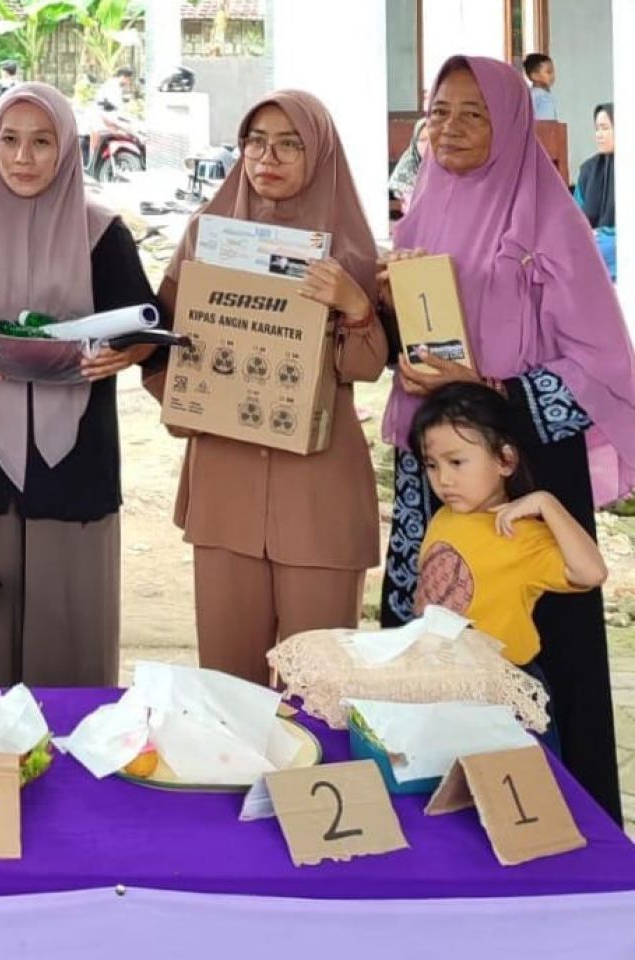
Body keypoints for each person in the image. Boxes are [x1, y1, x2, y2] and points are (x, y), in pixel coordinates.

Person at [378, 55, 635, 822]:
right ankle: (430, 821)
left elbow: (603, 362)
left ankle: (559, 829)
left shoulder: (549, 221)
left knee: (538, 657)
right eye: (438, 111)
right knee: (431, 630)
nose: (449, 128)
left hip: (521, 474)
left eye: (472, 113)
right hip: (438, 469)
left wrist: (490, 389)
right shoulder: (424, 203)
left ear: (512, 122)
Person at [0, 82, 159, 687]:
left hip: (74, 456)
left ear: (67, 150)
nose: (22, 157)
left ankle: (71, 756)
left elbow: (146, 324)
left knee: (68, 627)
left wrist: (122, 356)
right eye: (9, 139)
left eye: (41, 142)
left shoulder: (101, 231)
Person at [148, 91, 386, 687]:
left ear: (321, 153)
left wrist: (356, 307)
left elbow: (366, 367)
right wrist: (189, 400)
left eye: (288, 143)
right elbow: (160, 344)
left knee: (318, 690)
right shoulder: (206, 238)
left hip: (318, 494)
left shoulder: (352, 253)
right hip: (224, 488)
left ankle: (310, 787)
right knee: (228, 691)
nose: (267, 157)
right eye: (254, 141)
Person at [410, 383, 608, 752]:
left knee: (517, 799)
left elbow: (591, 573)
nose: (444, 479)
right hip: (442, 687)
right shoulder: (444, 517)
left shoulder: (522, 534)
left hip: (503, 698)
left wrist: (546, 504)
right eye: (432, 465)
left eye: (457, 462)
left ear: (505, 460)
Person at [575, 102, 616, 281]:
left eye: (605, 128)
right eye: (597, 129)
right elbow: (573, 215)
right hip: (591, 241)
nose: (599, 135)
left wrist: (604, 234)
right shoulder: (588, 170)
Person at [86, 66, 135, 169]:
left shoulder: (117, 87)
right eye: (128, 79)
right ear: (123, 77)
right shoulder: (112, 85)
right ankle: (90, 162)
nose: (129, 82)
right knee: (98, 134)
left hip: (106, 115)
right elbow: (113, 105)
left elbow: (118, 108)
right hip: (99, 115)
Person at [388, 118, 428, 217]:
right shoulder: (408, 166)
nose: (427, 145)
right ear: (415, 142)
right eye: (423, 140)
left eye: (433, 140)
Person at [523, 53, 557, 120]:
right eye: (548, 72)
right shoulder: (543, 97)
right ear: (535, 76)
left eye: (553, 72)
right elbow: (547, 124)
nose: (553, 76)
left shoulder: (528, 94)